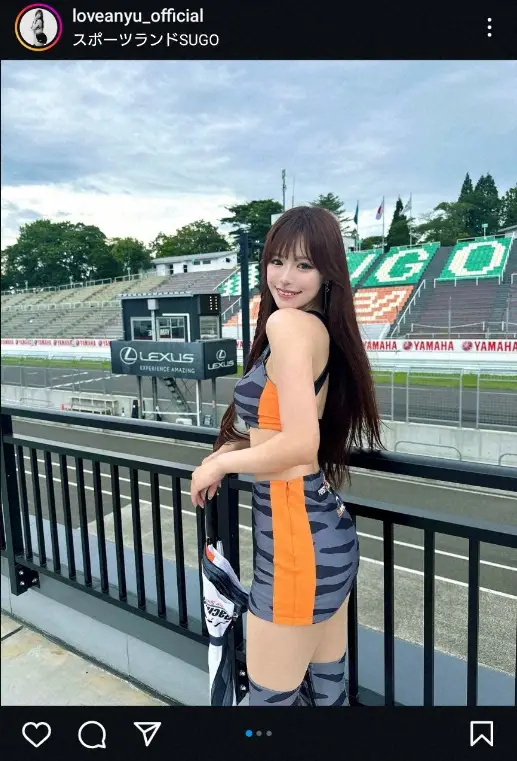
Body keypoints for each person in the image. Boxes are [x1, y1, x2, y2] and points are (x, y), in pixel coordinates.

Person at [190, 206, 384, 706]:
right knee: (328, 694)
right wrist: (236, 447)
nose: (285, 278)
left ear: (327, 273)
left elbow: (299, 444)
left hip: (297, 545)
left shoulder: (289, 325)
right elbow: (281, 432)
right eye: (277, 262)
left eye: (304, 265)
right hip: (323, 535)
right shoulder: (318, 327)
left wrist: (219, 464)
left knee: (268, 708)